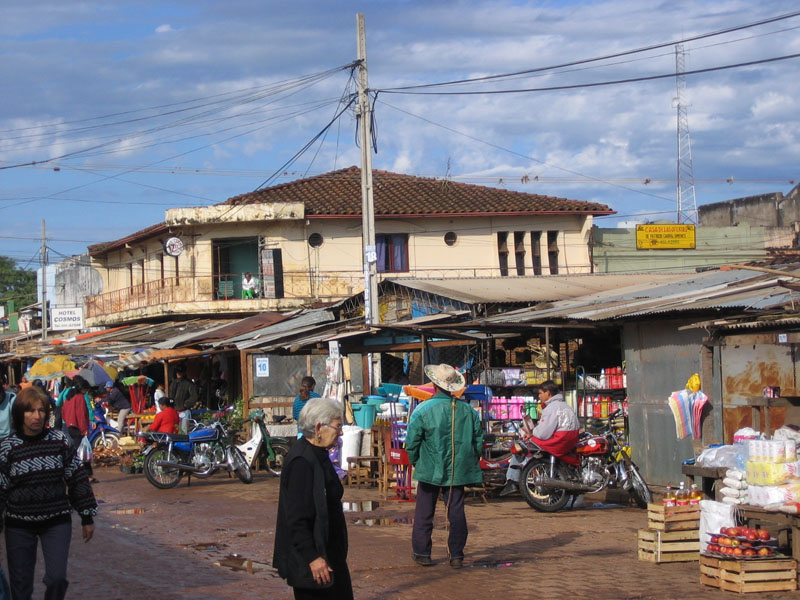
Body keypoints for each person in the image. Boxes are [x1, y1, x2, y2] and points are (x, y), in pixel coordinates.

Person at [0, 386, 97, 600]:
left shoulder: (59, 441)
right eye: (30, 411)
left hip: (56, 521)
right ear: (19, 413)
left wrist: (86, 516)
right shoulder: (8, 448)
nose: (36, 416)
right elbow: (1, 488)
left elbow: (77, 477)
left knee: (57, 578)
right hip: (19, 524)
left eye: (41, 411)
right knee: (21, 584)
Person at [273, 398, 353, 600]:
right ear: (319, 427)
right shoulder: (301, 461)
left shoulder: (320, 453)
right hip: (314, 562)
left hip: (328, 555)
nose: (341, 432)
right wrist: (313, 557)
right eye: (338, 426)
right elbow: (297, 517)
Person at [405, 363, 483, 569]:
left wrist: (417, 462)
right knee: (456, 512)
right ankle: (456, 555)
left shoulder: (422, 409)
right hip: (457, 470)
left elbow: (411, 443)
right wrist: (468, 461)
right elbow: (478, 443)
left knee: (424, 512)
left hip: (429, 469)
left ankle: (422, 553)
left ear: (434, 384)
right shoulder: (469, 411)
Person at [499, 380, 580, 497]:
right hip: (569, 440)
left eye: (541, 393)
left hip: (558, 441)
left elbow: (543, 434)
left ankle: (513, 481)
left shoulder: (552, 408)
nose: (539, 396)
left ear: (548, 393)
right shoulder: (565, 405)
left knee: (520, 446)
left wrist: (532, 432)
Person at [62, 382, 97, 483]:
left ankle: (79, 474)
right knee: (82, 452)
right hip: (77, 427)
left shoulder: (68, 397)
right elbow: (82, 414)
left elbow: (63, 412)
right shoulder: (80, 397)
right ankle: (85, 475)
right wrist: (84, 429)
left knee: (76, 450)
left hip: (69, 425)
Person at [170, 367, 197, 434]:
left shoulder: (189, 383)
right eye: (177, 372)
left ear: (184, 373)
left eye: (180, 372)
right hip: (175, 411)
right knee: (175, 431)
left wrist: (185, 404)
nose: (178, 373)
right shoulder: (173, 383)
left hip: (184, 411)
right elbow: (170, 396)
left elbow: (194, 397)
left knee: (184, 432)